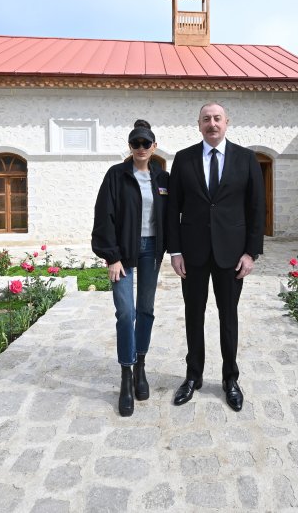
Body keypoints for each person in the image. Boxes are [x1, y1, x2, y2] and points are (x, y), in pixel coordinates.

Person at [166, 102, 265, 411]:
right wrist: (175, 250)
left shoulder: (247, 159)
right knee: (193, 317)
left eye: (217, 118)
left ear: (227, 123)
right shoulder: (183, 160)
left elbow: (256, 209)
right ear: (198, 125)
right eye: (206, 119)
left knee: (228, 317)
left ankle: (230, 379)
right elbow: (173, 210)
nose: (212, 124)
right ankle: (192, 376)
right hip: (193, 253)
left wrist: (251, 252)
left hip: (232, 254)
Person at [91, 120, 169, 417]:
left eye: (145, 143)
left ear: (154, 146)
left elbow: (172, 217)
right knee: (126, 312)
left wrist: (174, 250)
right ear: (130, 146)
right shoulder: (116, 175)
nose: (140, 148)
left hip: (151, 251)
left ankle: (140, 367)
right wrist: (111, 257)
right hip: (122, 253)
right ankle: (125, 375)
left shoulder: (163, 179)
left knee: (146, 310)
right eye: (135, 143)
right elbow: (104, 216)